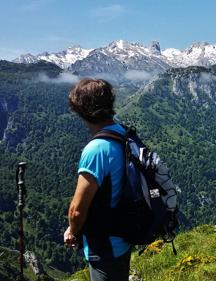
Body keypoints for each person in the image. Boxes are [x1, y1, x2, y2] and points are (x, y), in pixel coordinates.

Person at [64, 78, 131, 281]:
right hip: (123, 234)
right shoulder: (122, 133)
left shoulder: (96, 149)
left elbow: (76, 211)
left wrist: (72, 231)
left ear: (82, 111)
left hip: (105, 244)